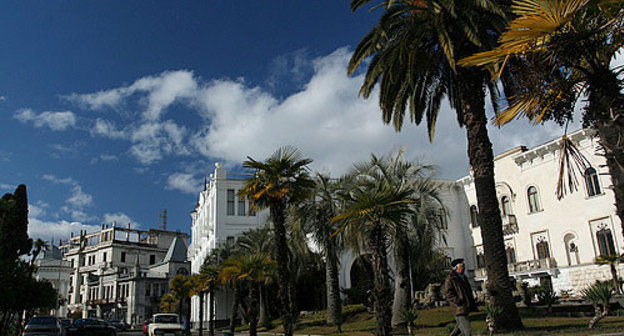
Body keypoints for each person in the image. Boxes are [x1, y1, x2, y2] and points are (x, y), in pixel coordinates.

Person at [443, 258, 477, 336]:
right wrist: (458, 301)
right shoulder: (451, 278)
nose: (464, 268)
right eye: (462, 266)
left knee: (458, 328)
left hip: (465, 306)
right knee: (467, 331)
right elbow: (448, 292)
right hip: (459, 308)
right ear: (456, 267)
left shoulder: (463, 277)